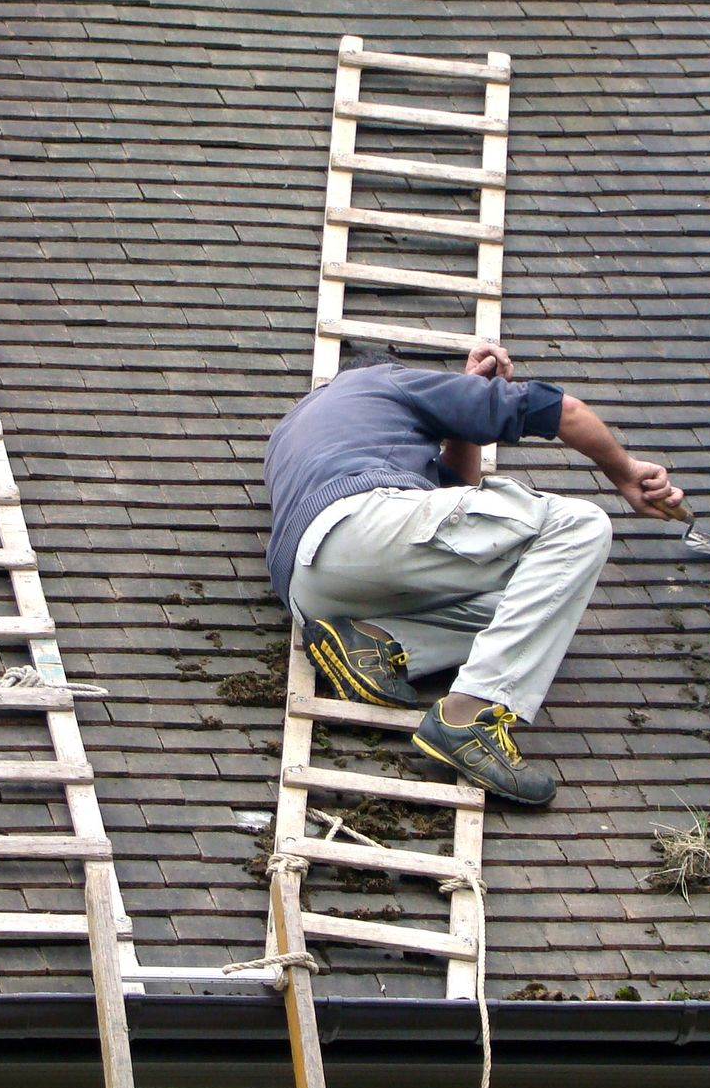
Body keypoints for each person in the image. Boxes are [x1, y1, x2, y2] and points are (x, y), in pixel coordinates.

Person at [263, 343, 683, 807]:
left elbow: (452, 508)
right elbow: (562, 410)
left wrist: (463, 419)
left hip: (310, 590)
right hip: (364, 524)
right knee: (579, 526)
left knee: (539, 602)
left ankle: (377, 641)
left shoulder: (291, 432)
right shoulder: (386, 379)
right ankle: (469, 715)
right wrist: (625, 472)